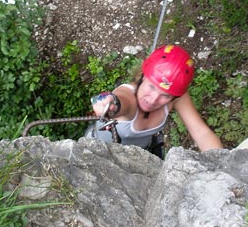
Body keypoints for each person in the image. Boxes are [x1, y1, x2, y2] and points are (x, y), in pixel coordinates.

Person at [86, 45, 222, 156]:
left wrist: (222, 163)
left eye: (165, 96)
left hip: (142, 154)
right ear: (143, 76)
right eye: (151, 87)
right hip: (99, 152)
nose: (153, 99)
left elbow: (201, 132)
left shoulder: (176, 95)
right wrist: (109, 102)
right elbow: (119, 101)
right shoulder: (129, 97)